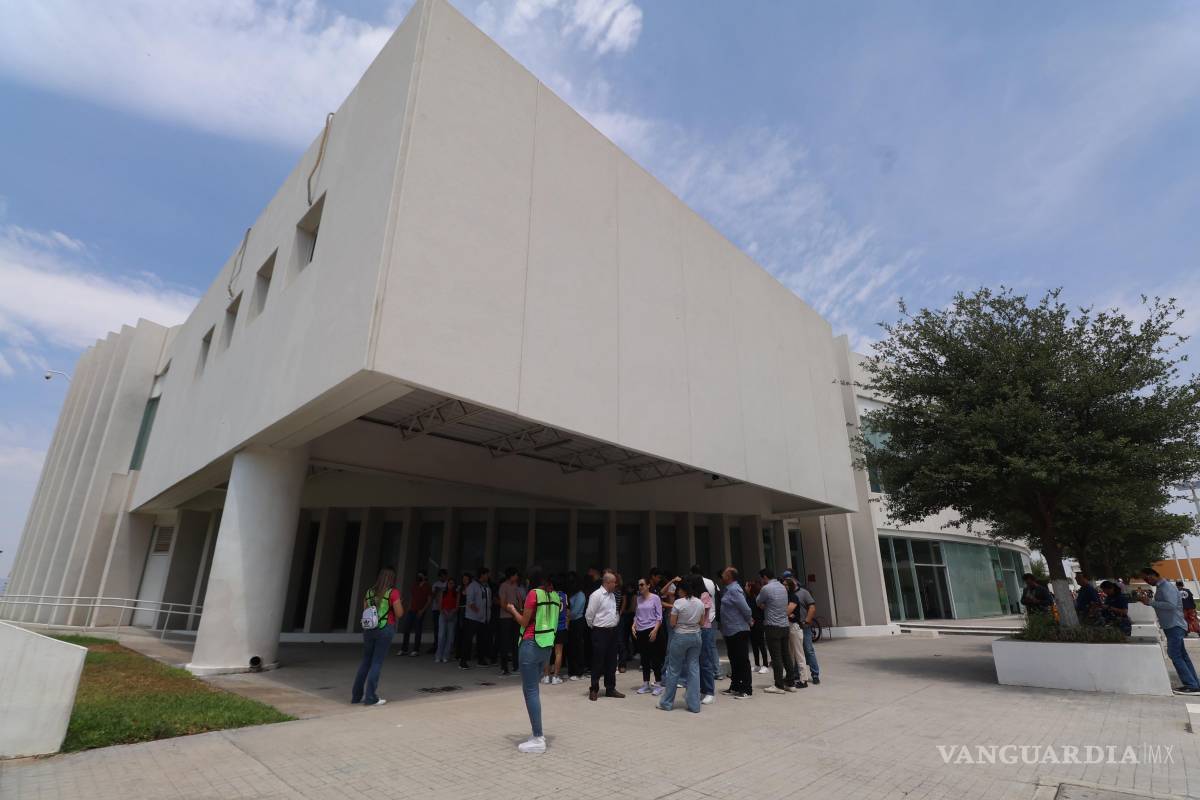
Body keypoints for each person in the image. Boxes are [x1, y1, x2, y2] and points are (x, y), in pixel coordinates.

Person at [504, 566, 561, 754]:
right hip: (546, 646)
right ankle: (538, 735)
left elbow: (523, 622)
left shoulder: (533, 594)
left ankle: (538, 737)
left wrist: (513, 609)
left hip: (530, 644)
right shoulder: (555, 596)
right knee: (533, 690)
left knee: (530, 692)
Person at [1139, 568, 1200, 693]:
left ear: (1153, 575)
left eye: (1147, 578)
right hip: (1172, 625)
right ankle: (1194, 683)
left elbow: (1171, 605)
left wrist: (1151, 602)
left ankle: (1191, 685)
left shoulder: (1166, 587)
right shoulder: (1162, 587)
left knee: (1175, 654)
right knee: (1182, 655)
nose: (1147, 581)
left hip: (1174, 625)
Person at [352, 567, 404, 706]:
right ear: (392, 578)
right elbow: (399, 614)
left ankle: (356, 696)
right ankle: (370, 697)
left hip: (369, 630)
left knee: (365, 662)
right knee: (377, 663)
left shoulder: (369, 592)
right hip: (385, 629)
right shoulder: (392, 593)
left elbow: (365, 611)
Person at [657, 576, 705, 713]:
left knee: (673, 669)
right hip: (696, 636)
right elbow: (702, 623)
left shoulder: (678, 603)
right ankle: (694, 705)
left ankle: (666, 703)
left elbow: (672, 623)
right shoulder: (699, 603)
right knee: (694, 668)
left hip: (680, 636)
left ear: (682, 590)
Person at [585, 570, 624, 701]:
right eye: (614, 582)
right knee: (598, 661)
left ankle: (610, 688)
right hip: (600, 631)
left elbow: (614, 611)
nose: (616, 584)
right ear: (607, 582)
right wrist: (595, 628)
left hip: (612, 631)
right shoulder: (596, 595)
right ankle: (594, 688)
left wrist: (615, 621)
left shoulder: (612, 595)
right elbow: (589, 615)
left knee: (612, 661)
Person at [756, 569, 796, 695]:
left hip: (772, 626)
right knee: (786, 655)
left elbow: (758, 602)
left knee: (776, 657)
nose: (762, 581)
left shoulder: (766, 588)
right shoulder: (782, 587)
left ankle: (779, 685)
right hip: (784, 625)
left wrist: (765, 605)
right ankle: (790, 682)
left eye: (762, 578)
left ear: (765, 577)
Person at [719, 567, 754, 699]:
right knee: (734, 660)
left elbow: (745, 609)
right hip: (730, 630)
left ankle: (746, 689)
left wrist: (749, 620)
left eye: (723, 574)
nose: (721, 576)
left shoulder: (734, 590)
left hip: (738, 629)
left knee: (742, 660)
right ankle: (735, 686)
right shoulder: (728, 589)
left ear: (729, 577)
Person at [632, 576, 664, 695]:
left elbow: (659, 616)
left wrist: (655, 630)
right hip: (640, 630)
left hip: (651, 629)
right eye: (639, 585)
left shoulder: (655, 598)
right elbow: (637, 614)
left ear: (648, 585)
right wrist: (633, 625)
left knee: (655, 658)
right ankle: (646, 683)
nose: (640, 587)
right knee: (644, 658)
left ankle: (658, 683)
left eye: (642, 585)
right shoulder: (639, 599)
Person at [691, 565, 720, 700]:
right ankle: (700, 689)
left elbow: (703, 616)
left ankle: (709, 691)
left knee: (705, 661)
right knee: (695, 661)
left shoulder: (704, 595)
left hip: (704, 629)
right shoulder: (692, 596)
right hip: (694, 630)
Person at [460, 567, 492, 670]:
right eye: (486, 574)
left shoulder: (487, 587)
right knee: (468, 639)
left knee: (482, 639)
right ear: (482, 575)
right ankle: (463, 661)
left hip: (484, 618)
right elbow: (470, 602)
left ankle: (481, 659)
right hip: (472, 618)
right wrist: (478, 611)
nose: (488, 576)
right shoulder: (473, 586)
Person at [784, 578, 811, 689]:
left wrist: (785, 613)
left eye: (785, 584)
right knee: (790, 655)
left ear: (789, 586)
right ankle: (790, 677)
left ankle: (803, 679)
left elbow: (787, 611)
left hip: (794, 627)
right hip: (788, 626)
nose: (783, 586)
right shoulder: (785, 597)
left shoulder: (793, 597)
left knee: (799, 654)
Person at [793, 579, 821, 685]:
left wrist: (807, 621)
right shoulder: (787, 594)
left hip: (804, 626)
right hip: (793, 626)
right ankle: (796, 674)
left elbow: (812, 607)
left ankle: (815, 674)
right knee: (795, 651)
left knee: (808, 650)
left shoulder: (804, 593)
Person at [541, 574, 568, 685]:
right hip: (561, 627)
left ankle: (546, 676)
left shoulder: (548, 595)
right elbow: (567, 611)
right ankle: (556, 677)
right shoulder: (564, 595)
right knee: (558, 653)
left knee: (547, 653)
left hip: (549, 627)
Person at [498, 567, 524, 676]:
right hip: (506, 617)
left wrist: (520, 611)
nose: (517, 577)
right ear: (511, 576)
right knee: (505, 642)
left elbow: (520, 600)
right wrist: (512, 612)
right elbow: (503, 603)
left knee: (516, 642)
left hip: (515, 617)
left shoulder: (516, 586)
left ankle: (516, 666)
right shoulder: (504, 586)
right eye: (516, 575)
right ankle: (504, 667)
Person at [399, 571, 431, 657]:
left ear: (425, 577)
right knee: (406, 629)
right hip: (411, 610)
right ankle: (404, 649)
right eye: (418, 575)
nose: (419, 577)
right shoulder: (415, 585)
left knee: (418, 630)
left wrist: (422, 610)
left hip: (420, 611)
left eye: (421, 575)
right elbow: (412, 597)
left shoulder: (427, 586)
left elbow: (429, 600)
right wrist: (409, 607)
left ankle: (416, 650)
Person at [566, 575, 588, 680]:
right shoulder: (573, 594)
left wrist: (566, 614)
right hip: (571, 622)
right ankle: (571, 671)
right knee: (571, 647)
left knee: (577, 647)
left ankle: (579, 672)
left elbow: (574, 612)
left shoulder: (581, 595)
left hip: (578, 622)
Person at [747, 580, 770, 674]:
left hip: (759, 623)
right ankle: (757, 664)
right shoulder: (748, 598)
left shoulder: (758, 598)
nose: (745, 588)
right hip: (751, 624)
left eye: (746, 586)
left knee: (761, 644)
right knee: (754, 644)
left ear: (750, 587)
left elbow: (762, 610)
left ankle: (765, 665)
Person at [434, 575, 458, 662]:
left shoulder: (456, 593)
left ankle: (446, 656)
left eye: (452, 583)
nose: (450, 585)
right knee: (441, 636)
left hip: (453, 615)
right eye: (449, 583)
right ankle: (438, 655)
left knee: (450, 637)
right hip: (443, 615)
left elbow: (457, 605)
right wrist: (444, 612)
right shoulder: (442, 592)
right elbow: (439, 604)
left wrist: (452, 612)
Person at [618, 579, 637, 674]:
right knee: (625, 638)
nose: (629, 589)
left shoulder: (633, 596)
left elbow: (632, 608)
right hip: (626, 618)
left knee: (628, 638)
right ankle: (628, 655)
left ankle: (629, 655)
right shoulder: (626, 595)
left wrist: (623, 612)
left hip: (629, 618)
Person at [428, 569, 448, 654]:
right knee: (437, 628)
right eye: (442, 576)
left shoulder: (448, 584)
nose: (444, 577)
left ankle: (444, 646)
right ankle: (436, 645)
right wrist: (436, 591)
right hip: (436, 609)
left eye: (445, 575)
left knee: (445, 628)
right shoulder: (436, 584)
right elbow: (432, 596)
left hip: (446, 609)